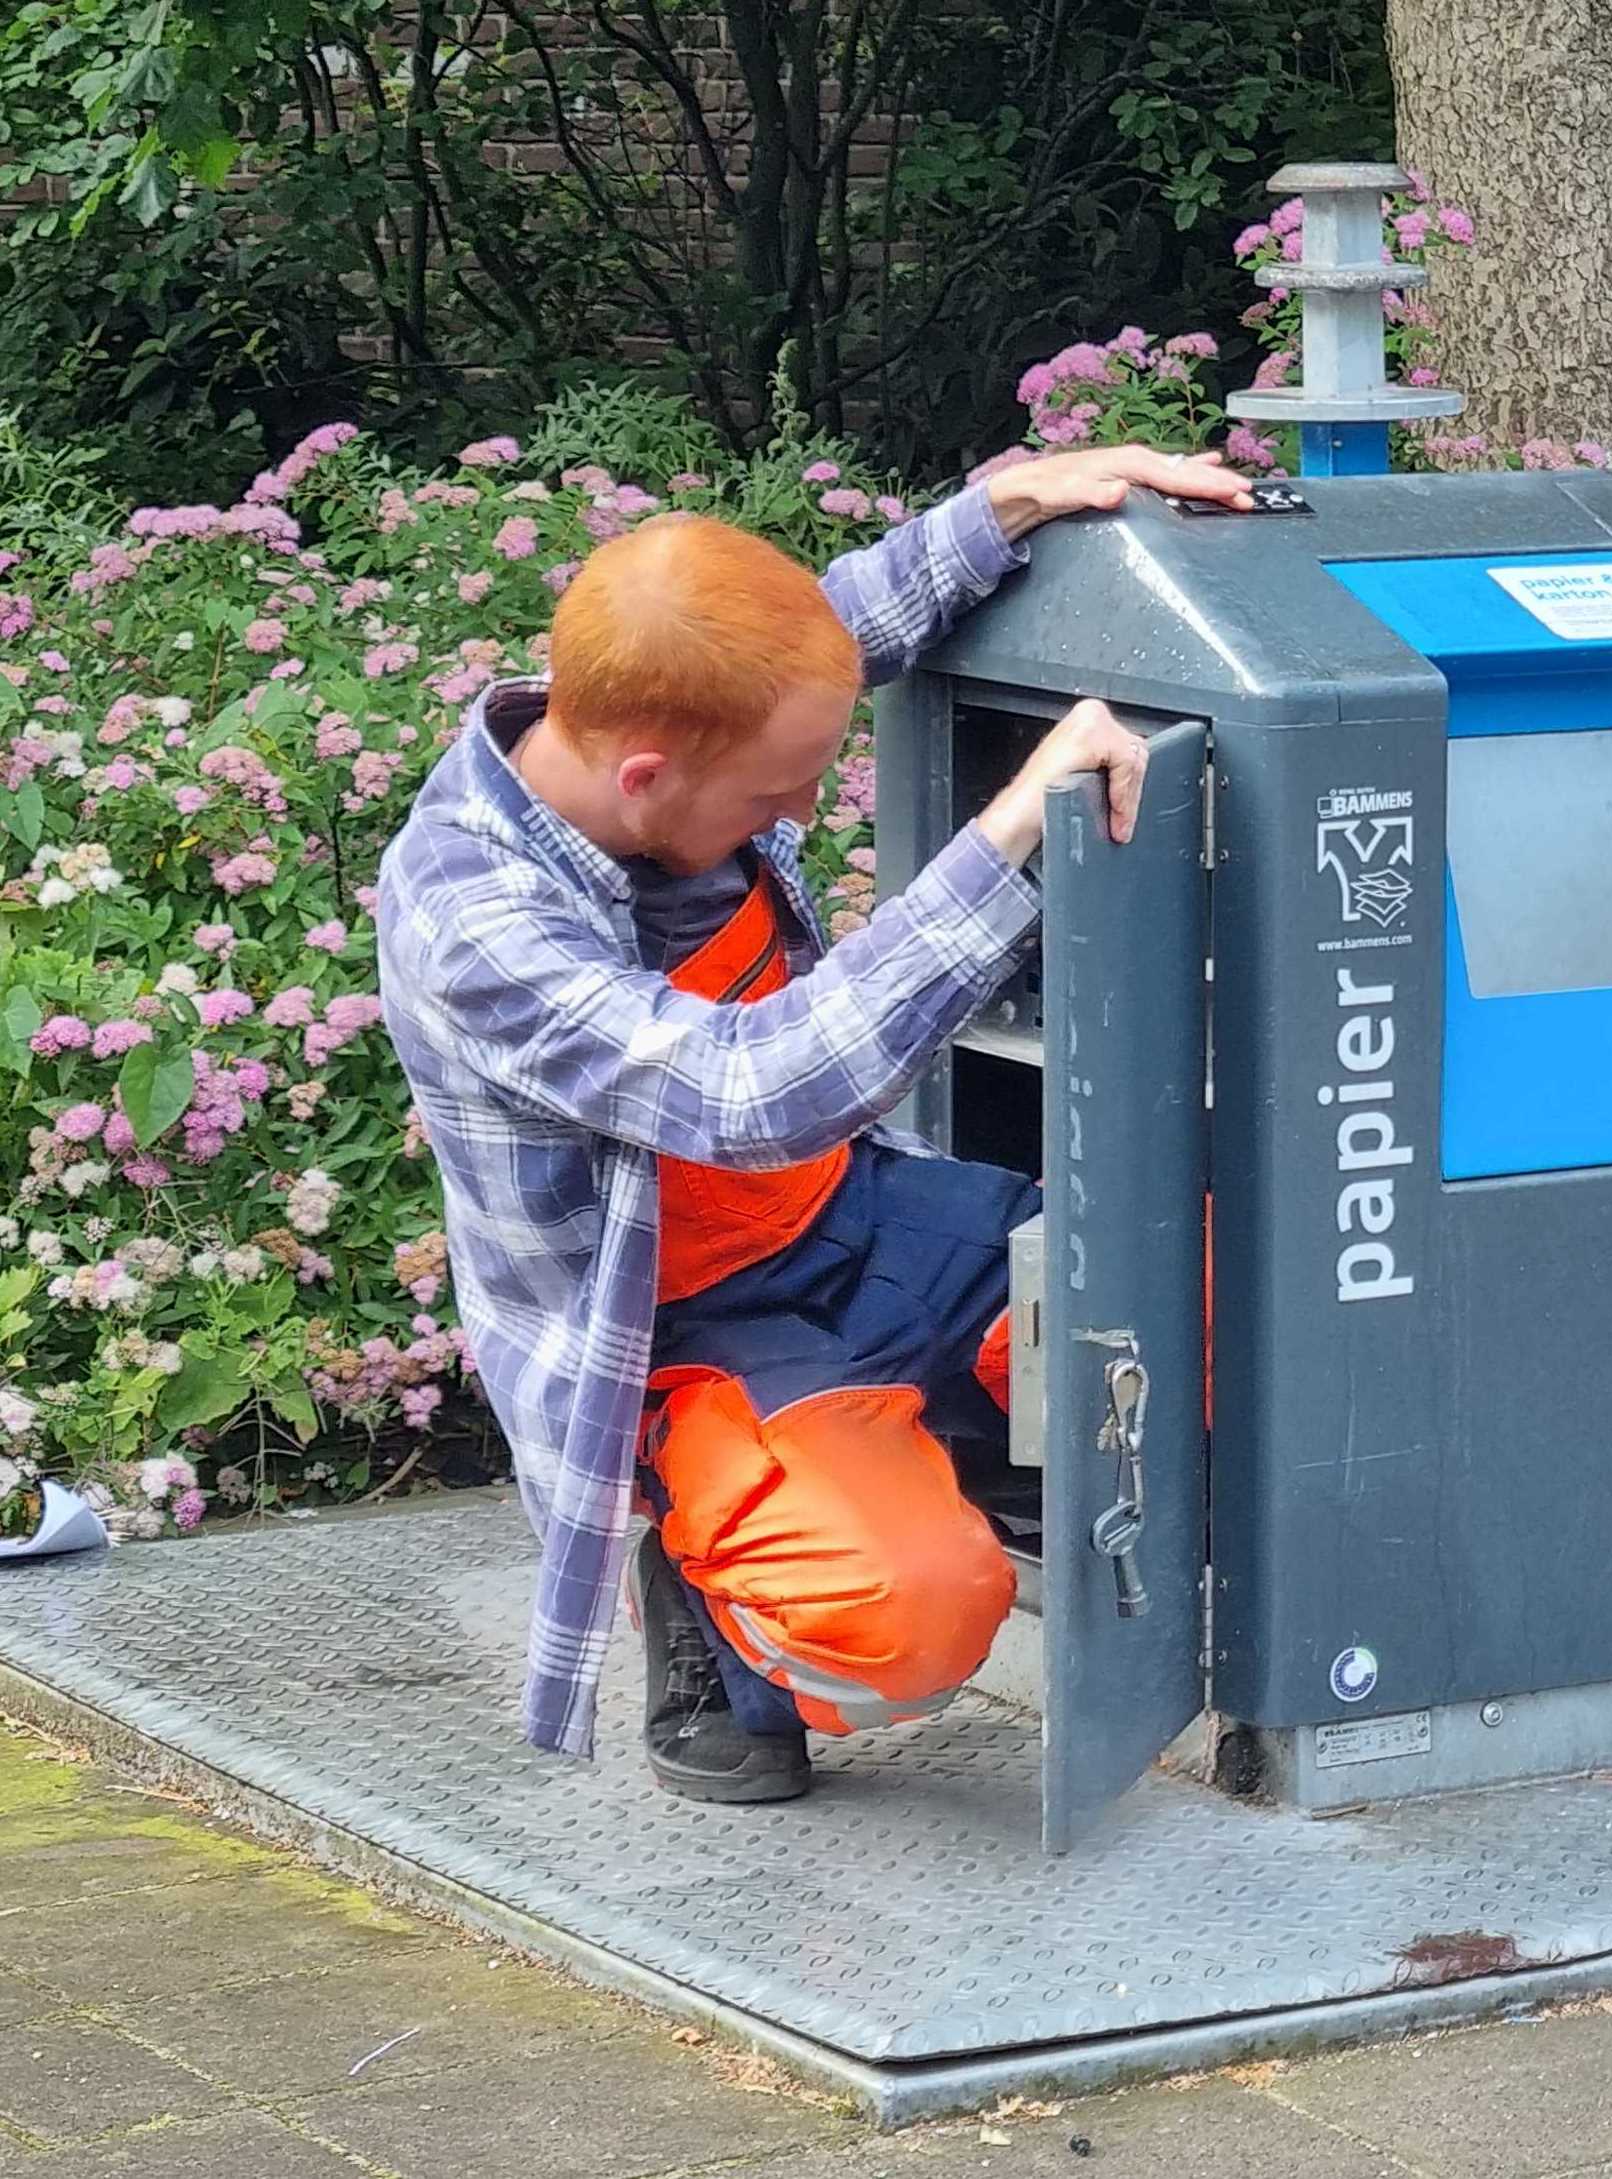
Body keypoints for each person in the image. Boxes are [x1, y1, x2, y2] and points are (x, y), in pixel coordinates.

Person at [375, 445, 1251, 1801]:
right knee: (905, 1621)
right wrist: (1018, 829)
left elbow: (825, 632)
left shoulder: (658, 712)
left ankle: (909, 1451)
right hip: (691, 1323)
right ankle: (716, 1583)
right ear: (649, 778)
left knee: (1238, 1294)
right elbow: (751, 1093)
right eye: (775, 799)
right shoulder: (469, 916)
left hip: (850, 1213)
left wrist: (1020, 498)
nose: (796, 815)